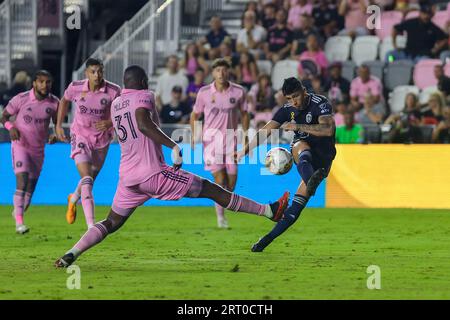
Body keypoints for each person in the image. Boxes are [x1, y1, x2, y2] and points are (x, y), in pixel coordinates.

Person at [54, 65, 290, 268]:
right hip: (153, 172)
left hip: (127, 178)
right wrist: (173, 146)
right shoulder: (144, 95)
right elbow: (144, 123)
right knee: (212, 189)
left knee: (111, 222)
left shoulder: (116, 104)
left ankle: (71, 253)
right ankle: (270, 211)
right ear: (144, 82)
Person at [236, 77, 336, 252]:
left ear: (304, 90)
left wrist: (299, 126)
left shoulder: (320, 103)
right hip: (305, 153)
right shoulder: (287, 110)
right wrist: (244, 150)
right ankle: (266, 239)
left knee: (294, 210)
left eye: (296, 96)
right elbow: (266, 130)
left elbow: (328, 129)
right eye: (289, 98)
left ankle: (310, 179)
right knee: (299, 146)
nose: (293, 102)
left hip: (324, 157)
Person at [56, 58, 121, 228]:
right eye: (93, 71)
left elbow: (122, 111)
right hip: (80, 135)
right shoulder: (76, 87)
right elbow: (64, 101)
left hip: (102, 139)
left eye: (100, 71)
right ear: (86, 73)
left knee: (91, 179)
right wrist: (58, 126)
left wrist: (110, 123)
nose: (97, 75)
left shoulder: (114, 91)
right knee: (87, 179)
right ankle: (91, 225)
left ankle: (74, 198)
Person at [190, 59, 250, 229]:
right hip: (211, 143)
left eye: (224, 70)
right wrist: (195, 134)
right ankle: (220, 218)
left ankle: (222, 210)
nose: (221, 73)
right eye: (217, 70)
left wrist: (245, 135)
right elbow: (194, 115)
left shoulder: (238, 92)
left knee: (230, 187)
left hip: (231, 142)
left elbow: (245, 114)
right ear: (213, 73)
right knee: (220, 180)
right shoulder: (204, 93)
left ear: (228, 71)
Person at [1, 70, 59, 234]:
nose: (44, 85)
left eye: (48, 82)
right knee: (22, 179)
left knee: (30, 189)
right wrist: (10, 127)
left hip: (38, 150)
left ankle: (18, 212)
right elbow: (3, 116)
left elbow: (57, 123)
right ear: (34, 83)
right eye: (41, 81)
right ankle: (19, 224)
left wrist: (55, 134)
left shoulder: (54, 103)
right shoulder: (21, 99)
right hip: (20, 145)